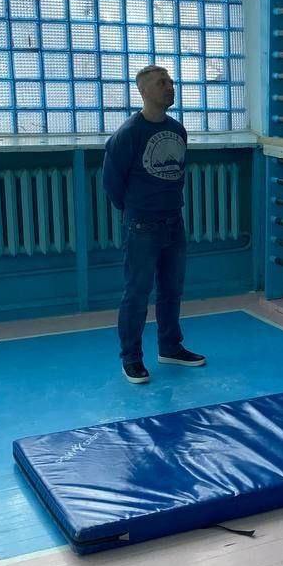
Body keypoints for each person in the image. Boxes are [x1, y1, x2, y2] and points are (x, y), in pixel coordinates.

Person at [102, 64, 206, 383]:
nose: (170, 87)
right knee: (137, 293)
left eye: (171, 82)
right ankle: (131, 358)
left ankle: (170, 347)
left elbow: (177, 174)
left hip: (174, 222)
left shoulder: (177, 130)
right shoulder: (129, 134)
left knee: (171, 289)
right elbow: (112, 183)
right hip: (142, 226)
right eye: (162, 83)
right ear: (143, 91)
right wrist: (136, 211)